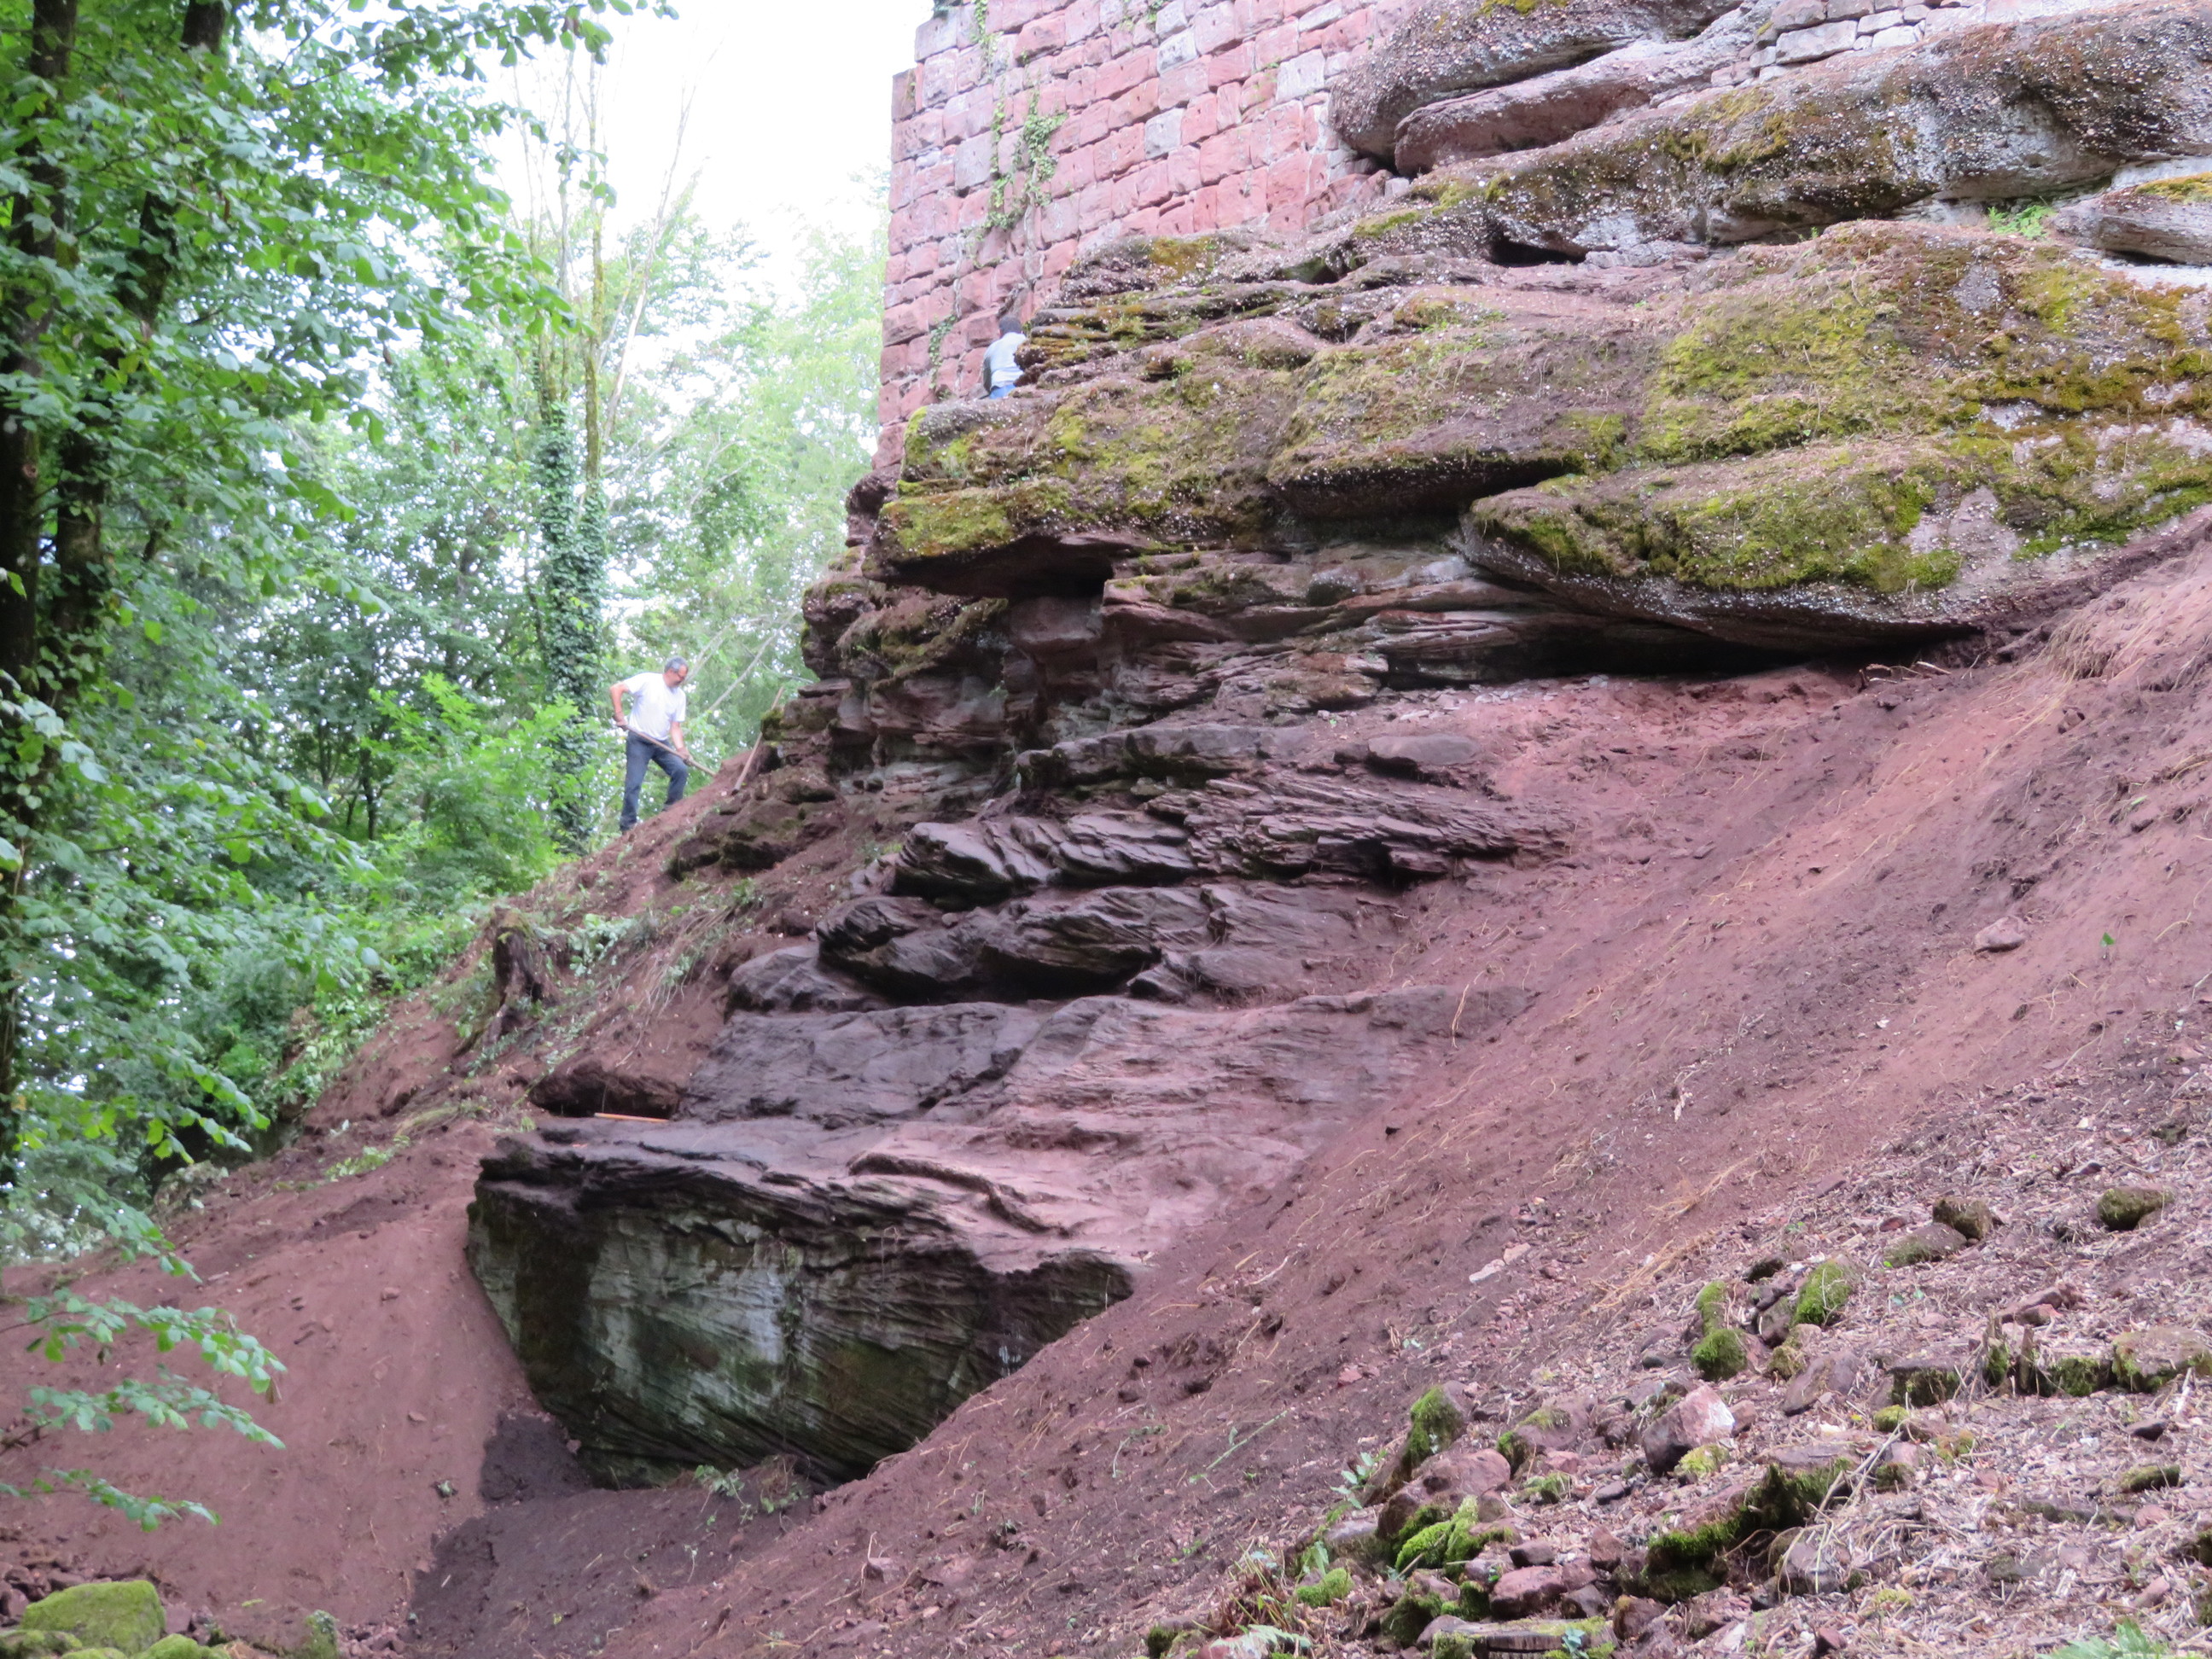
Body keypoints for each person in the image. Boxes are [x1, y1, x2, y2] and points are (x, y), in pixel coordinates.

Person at [611, 656, 692, 831]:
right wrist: (619, 715)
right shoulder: (648, 680)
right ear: (670, 672)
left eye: (684, 678)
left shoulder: (680, 696)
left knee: (680, 770)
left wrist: (681, 749)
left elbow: (675, 727)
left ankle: (670, 813)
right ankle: (628, 826)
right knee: (634, 783)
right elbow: (616, 689)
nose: (682, 681)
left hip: (660, 743)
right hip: (639, 740)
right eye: (681, 677)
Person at [981, 309, 1026, 399]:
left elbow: (986, 381)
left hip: (1000, 387)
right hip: (1024, 387)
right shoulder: (1027, 342)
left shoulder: (992, 348)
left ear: (1000, 333)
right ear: (1021, 331)